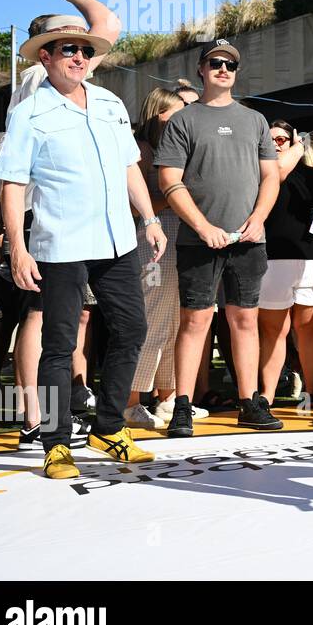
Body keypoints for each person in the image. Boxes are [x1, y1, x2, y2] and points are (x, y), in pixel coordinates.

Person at [0, 13, 166, 479]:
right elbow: (12, 183)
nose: (80, 57)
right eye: (69, 50)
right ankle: (55, 441)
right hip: (60, 243)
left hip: (118, 241)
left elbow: (131, 166)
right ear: (45, 57)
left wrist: (148, 218)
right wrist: (16, 247)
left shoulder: (110, 102)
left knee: (131, 330)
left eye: (86, 51)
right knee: (59, 344)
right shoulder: (28, 112)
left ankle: (109, 427)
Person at [156, 39, 280, 437]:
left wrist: (259, 219)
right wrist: (202, 227)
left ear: (236, 72)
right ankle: (182, 406)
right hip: (199, 241)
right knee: (195, 321)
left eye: (230, 64)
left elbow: (270, 176)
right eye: (215, 62)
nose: (223, 68)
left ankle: (250, 402)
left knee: (245, 319)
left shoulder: (255, 120)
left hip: (248, 239)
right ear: (201, 69)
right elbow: (169, 181)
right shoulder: (183, 120)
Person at [257, 121, 313, 407]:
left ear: (293, 140)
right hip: (270, 259)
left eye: (282, 139)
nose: (277, 144)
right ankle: (266, 397)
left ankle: (311, 392)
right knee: (272, 331)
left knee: (309, 329)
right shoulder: (258, 173)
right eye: (272, 140)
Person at [125, 87, 188, 430]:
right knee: (150, 320)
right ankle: (131, 401)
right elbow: (136, 206)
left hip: (174, 238)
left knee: (173, 322)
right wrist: (174, 192)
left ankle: (167, 398)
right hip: (150, 241)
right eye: (176, 112)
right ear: (158, 113)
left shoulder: (171, 148)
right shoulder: (141, 150)